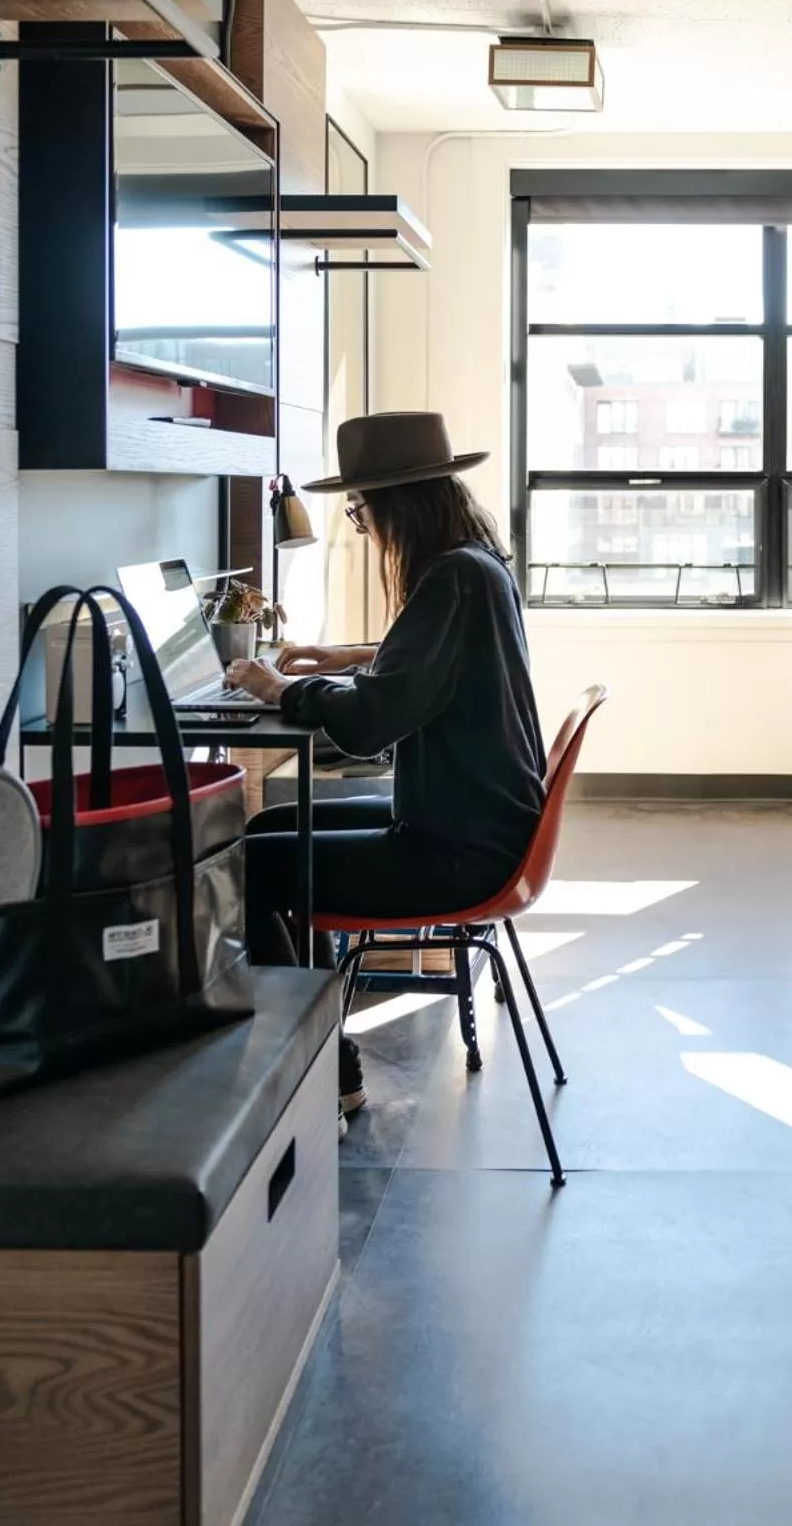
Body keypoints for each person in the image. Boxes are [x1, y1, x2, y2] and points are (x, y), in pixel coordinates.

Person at [226, 412, 546, 1124]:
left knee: (251, 866)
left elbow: (373, 722)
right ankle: (324, 1055)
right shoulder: (475, 563)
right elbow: (426, 664)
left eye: (361, 508)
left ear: (398, 504)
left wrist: (281, 690)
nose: (363, 524)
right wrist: (346, 658)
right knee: (273, 827)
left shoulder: (451, 578)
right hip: (477, 824)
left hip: (458, 851)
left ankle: (323, 1066)